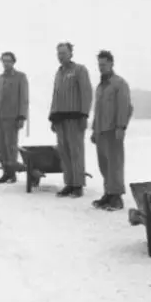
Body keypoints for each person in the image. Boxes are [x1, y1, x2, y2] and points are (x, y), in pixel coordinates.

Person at [90, 50, 133, 211]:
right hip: (101, 131)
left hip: (113, 131)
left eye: (104, 64)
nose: (101, 67)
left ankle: (117, 197)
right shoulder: (100, 87)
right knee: (104, 165)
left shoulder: (119, 84)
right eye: (99, 65)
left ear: (111, 64)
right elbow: (97, 110)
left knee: (115, 164)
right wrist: (94, 130)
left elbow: (125, 107)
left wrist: (121, 127)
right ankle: (108, 193)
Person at [49, 42, 93, 198]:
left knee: (76, 152)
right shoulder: (59, 73)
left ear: (71, 54)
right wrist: (52, 117)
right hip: (60, 119)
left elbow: (86, 93)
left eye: (64, 53)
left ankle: (78, 185)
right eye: (59, 53)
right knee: (64, 152)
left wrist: (84, 115)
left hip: (74, 118)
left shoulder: (79, 70)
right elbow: (56, 95)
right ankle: (69, 183)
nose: (61, 56)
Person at [0, 51, 29, 184]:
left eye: (8, 61)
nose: (6, 63)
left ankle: (12, 173)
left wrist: (22, 116)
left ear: (13, 62)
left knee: (10, 146)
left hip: (12, 118)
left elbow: (24, 98)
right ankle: (5, 171)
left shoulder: (20, 77)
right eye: (4, 61)